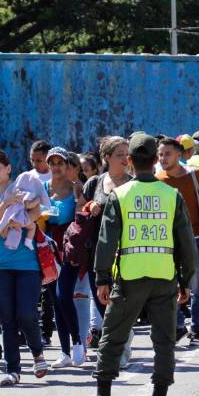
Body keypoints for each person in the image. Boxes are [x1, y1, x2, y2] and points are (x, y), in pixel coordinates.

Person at [87, 133, 197, 396]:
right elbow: (186, 243)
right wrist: (185, 280)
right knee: (164, 342)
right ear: (154, 160)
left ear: (130, 161)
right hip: (164, 278)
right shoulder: (172, 195)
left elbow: (106, 240)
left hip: (129, 279)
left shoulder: (120, 195)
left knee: (112, 338)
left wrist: (101, 278)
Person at [0, 150, 48, 386]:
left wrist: (25, 210)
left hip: (28, 264)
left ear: (8, 168)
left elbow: (39, 212)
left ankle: (38, 353)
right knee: (7, 318)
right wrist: (5, 205)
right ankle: (13, 369)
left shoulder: (25, 187)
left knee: (27, 314)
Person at [157, 138, 199, 345]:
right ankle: (178, 324)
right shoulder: (158, 179)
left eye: (167, 154)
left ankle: (197, 329)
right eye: (160, 154)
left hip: (196, 239)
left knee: (197, 285)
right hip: (168, 243)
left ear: (179, 155)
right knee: (168, 285)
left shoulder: (195, 175)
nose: (163, 158)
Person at [82, 137, 134, 365]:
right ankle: (118, 342)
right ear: (107, 158)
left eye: (127, 153)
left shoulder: (134, 183)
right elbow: (80, 213)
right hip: (97, 251)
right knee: (103, 301)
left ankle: (121, 348)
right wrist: (89, 207)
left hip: (126, 251)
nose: (125, 158)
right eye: (120, 154)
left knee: (121, 302)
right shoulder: (94, 183)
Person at [42, 147, 87, 368]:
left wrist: (79, 200)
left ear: (68, 166)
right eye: (53, 163)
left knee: (63, 296)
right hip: (46, 247)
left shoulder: (76, 188)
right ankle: (64, 351)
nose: (56, 167)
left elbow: (81, 218)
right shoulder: (42, 188)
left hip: (68, 246)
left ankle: (78, 342)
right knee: (55, 298)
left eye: (61, 163)